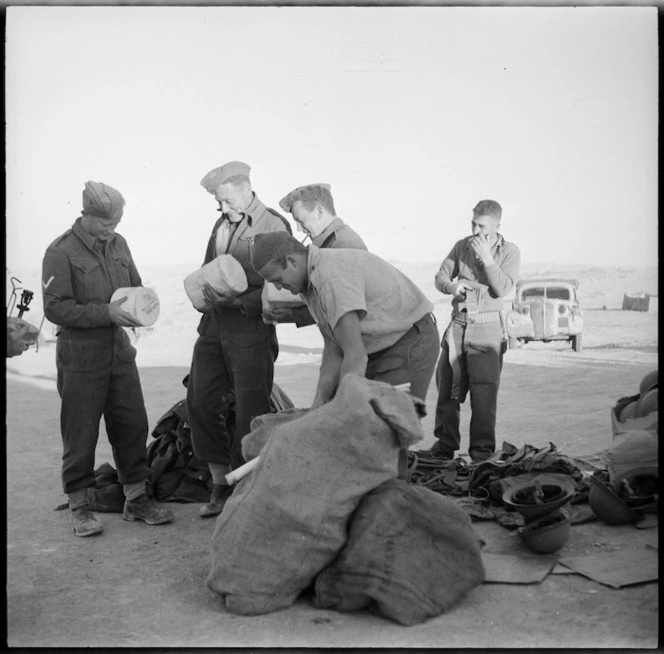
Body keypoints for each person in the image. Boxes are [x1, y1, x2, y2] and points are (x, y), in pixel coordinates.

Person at [42, 181, 174, 537]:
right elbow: (54, 307)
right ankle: (80, 506)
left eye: (115, 223)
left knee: (132, 425)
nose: (110, 231)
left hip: (119, 351)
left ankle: (136, 498)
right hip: (80, 355)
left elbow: (135, 286)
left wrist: (142, 307)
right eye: (105, 224)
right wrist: (106, 313)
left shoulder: (120, 244)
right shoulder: (61, 251)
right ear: (86, 215)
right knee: (80, 434)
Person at [187, 161, 292, 518]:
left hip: (251, 330)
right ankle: (219, 482)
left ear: (247, 190)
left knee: (250, 412)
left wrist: (240, 302)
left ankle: (245, 486)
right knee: (199, 402)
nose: (223, 209)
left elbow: (283, 283)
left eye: (229, 202)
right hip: (214, 328)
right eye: (219, 203)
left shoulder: (273, 224)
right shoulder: (220, 224)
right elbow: (207, 270)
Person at [250, 232, 440, 410]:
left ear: (291, 261)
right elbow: (334, 348)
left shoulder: (330, 278)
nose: (278, 287)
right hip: (380, 346)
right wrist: (320, 401)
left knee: (385, 426)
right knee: (352, 420)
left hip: (410, 341)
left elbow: (355, 355)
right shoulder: (309, 283)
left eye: (277, 279)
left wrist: (341, 407)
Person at [430, 199, 521, 463]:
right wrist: (451, 287)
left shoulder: (510, 252)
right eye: (473, 224)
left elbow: (502, 288)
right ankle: (444, 447)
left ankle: (481, 454)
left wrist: (487, 259)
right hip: (459, 326)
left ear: (497, 225)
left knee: (484, 395)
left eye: (482, 226)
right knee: (448, 389)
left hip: (487, 330)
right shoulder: (461, 246)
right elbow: (440, 276)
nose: (476, 231)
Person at [264, 183, 367, 326]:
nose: (299, 229)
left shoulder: (343, 245)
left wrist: (294, 315)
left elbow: (344, 308)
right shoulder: (327, 244)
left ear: (319, 212)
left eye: (300, 221)